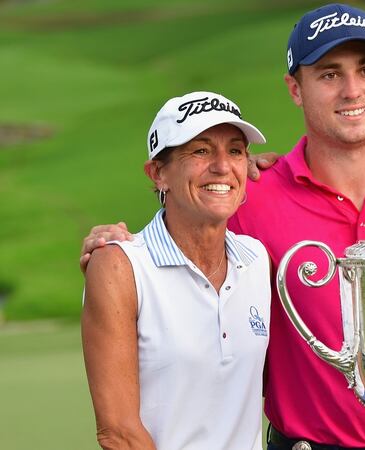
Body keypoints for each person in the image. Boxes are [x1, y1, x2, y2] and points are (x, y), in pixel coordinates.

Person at [79, 4, 365, 450]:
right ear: (295, 89)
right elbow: (183, 227)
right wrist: (112, 250)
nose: (352, 90)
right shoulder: (252, 200)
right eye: (329, 74)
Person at [81, 91, 271, 449]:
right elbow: (118, 433)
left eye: (235, 150)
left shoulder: (256, 259)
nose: (222, 166)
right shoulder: (120, 266)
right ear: (158, 173)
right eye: (200, 151)